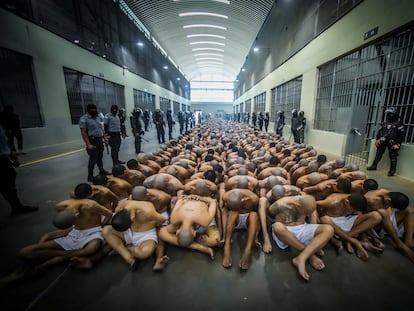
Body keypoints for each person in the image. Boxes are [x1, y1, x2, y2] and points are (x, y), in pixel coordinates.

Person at [14, 183, 112, 277]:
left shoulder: (89, 205)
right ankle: (63, 255)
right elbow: (108, 213)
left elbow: (108, 213)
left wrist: (101, 226)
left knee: (92, 248)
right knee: (24, 252)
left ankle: (56, 258)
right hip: (75, 232)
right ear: (90, 194)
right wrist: (78, 204)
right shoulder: (82, 204)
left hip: (92, 233)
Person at [268, 195, 334, 281]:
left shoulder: (307, 201)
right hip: (285, 231)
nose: (308, 215)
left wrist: (313, 232)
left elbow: (312, 213)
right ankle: (311, 255)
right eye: (306, 213)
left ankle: (301, 258)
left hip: (302, 228)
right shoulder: (281, 204)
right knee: (277, 226)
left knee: (329, 229)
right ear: (298, 206)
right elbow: (270, 215)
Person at [102, 199, 166, 271]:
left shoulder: (147, 211)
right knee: (106, 231)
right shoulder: (125, 205)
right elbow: (117, 211)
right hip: (129, 231)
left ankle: (128, 248)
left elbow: (162, 220)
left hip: (146, 235)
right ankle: (129, 258)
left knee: (144, 253)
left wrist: (152, 222)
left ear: (131, 218)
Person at [158, 195, 219, 259]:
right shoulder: (174, 219)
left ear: (177, 232)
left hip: (200, 203)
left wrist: (200, 198)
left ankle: (188, 241)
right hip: (192, 202)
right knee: (162, 233)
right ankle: (199, 247)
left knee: (214, 240)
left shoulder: (174, 219)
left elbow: (180, 200)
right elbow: (213, 202)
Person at [0, 122, 38, 215]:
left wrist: (12, 155)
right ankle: (16, 207)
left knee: (9, 182)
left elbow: (4, 140)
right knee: (7, 183)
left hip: (3, 158)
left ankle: (16, 207)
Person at [221, 188, 260, 270]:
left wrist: (256, 236)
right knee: (232, 213)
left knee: (254, 215)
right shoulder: (226, 196)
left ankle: (248, 250)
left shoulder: (253, 198)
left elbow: (257, 212)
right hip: (234, 220)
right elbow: (225, 209)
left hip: (247, 220)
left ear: (243, 201)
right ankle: (226, 247)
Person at [367, 107, 405, 176]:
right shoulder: (385, 123)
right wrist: (377, 139)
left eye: (390, 114)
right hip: (383, 141)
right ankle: (374, 166)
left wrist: (398, 144)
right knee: (378, 154)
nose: (388, 116)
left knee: (393, 156)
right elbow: (380, 131)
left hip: (392, 143)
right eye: (388, 114)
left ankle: (392, 170)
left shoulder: (399, 124)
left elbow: (401, 136)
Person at [79, 104, 111, 182]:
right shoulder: (84, 119)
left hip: (99, 139)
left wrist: (104, 137)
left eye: (95, 109)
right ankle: (90, 176)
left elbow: (101, 128)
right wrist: (88, 144)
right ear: (88, 110)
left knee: (100, 157)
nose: (94, 111)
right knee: (93, 159)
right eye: (92, 109)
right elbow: (83, 133)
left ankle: (101, 170)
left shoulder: (98, 117)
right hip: (92, 140)